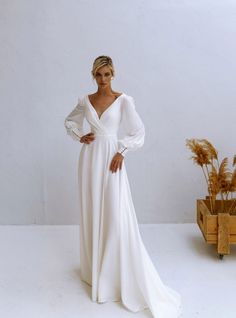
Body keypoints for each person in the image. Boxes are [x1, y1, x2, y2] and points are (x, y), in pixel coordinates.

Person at [64, 55, 183, 318]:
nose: (103, 80)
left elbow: (138, 131)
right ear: (93, 75)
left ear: (113, 74)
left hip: (110, 160)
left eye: (107, 74)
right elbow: (70, 121)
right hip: (89, 159)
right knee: (93, 209)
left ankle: (113, 274)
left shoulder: (123, 100)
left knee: (115, 214)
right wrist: (78, 135)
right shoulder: (85, 101)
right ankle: (93, 270)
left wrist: (122, 151)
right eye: (99, 75)